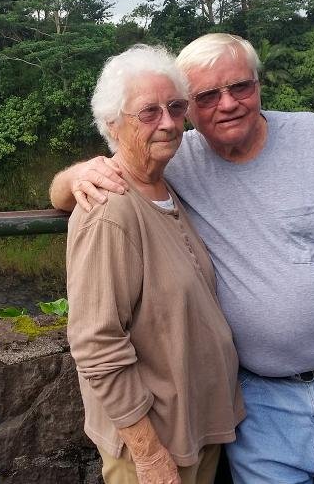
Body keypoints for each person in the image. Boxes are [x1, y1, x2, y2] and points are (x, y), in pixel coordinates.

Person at [51, 34, 314, 484]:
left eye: (240, 86)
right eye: (205, 96)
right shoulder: (173, 158)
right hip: (259, 407)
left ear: (258, 85)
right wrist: (74, 176)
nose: (227, 104)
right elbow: (101, 188)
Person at [66, 44, 244, 484]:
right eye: (148, 112)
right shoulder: (110, 210)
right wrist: (147, 454)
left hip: (194, 428)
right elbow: (96, 344)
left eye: (176, 107)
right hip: (154, 444)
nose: (167, 122)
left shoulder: (166, 186)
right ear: (112, 124)